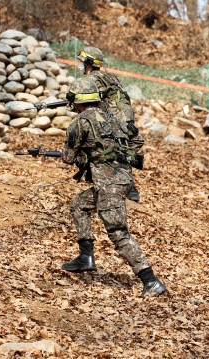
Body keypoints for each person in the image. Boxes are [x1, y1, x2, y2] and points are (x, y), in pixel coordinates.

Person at [60, 77, 166, 297]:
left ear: (77, 101)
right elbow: (137, 140)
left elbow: (68, 158)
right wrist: (114, 156)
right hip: (123, 181)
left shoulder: (80, 122)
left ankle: (151, 281)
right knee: (79, 205)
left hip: (108, 186)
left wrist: (89, 158)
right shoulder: (113, 117)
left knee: (118, 233)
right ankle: (85, 257)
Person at [77, 46, 142, 202]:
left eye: (82, 62)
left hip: (112, 117)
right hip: (125, 115)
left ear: (89, 63)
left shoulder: (91, 79)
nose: (80, 65)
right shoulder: (109, 76)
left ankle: (115, 184)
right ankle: (128, 187)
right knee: (122, 150)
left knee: (100, 146)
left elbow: (88, 100)